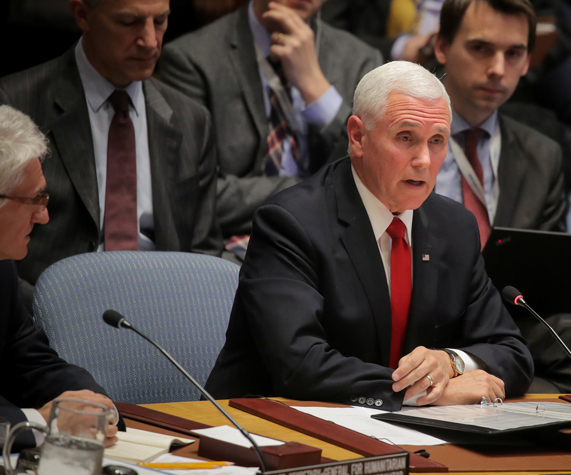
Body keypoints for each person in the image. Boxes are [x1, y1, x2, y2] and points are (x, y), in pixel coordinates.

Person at [204, 61, 534, 410]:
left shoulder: (454, 227)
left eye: (437, 141)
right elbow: (299, 364)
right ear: (358, 137)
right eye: (405, 138)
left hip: (398, 429)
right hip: (260, 423)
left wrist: (450, 362)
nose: (424, 160)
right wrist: (422, 393)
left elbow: (513, 354)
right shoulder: (291, 223)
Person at [432, 0, 571, 394]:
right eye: (481, 48)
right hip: (416, 318)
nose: (497, 68)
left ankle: (555, 430)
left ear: (528, 61)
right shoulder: (401, 139)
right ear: (442, 47)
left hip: (498, 324)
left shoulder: (542, 155)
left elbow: (544, 278)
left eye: (513, 54)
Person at [0, 0, 222, 305]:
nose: (150, 41)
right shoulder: (15, 104)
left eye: (160, 21)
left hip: (165, 309)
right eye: (130, 22)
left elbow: (204, 253)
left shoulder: (192, 120)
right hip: (50, 311)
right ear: (82, 14)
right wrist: (51, 314)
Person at [158, 0, 383, 249]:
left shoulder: (361, 60)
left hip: (335, 242)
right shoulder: (190, 58)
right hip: (236, 243)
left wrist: (316, 90)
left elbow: (376, 176)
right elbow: (195, 198)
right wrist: (311, 191)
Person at [0, 105, 119, 450]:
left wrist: (92, 403)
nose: (44, 216)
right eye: (34, 199)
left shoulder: (3, 265)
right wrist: (41, 424)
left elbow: (30, 361)